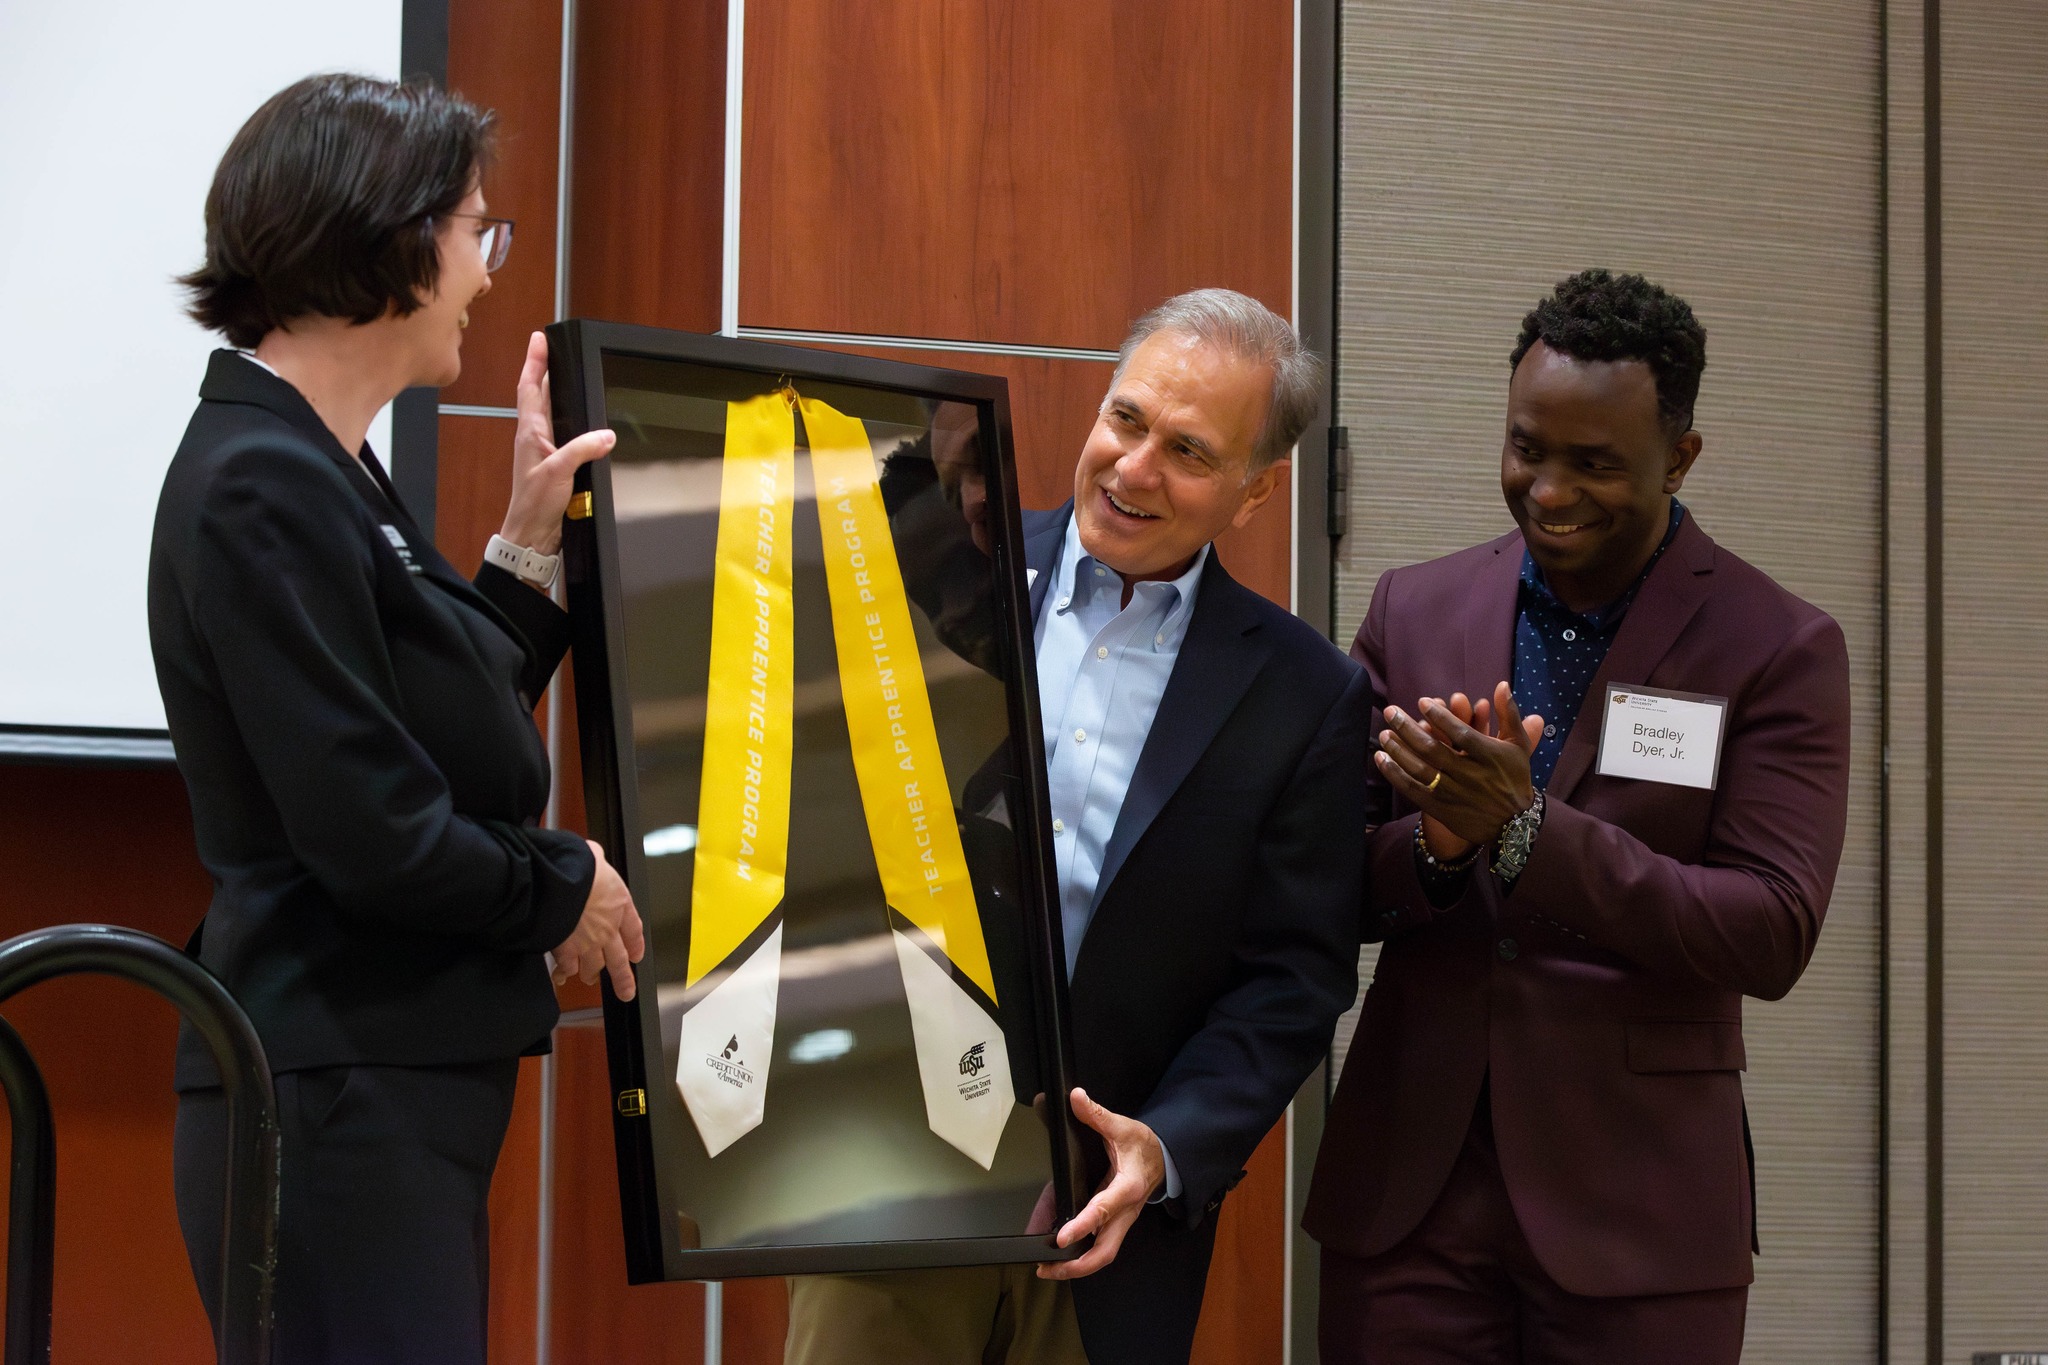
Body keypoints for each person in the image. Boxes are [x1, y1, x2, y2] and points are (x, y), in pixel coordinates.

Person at [149, 73, 643, 1363]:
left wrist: (528, 545)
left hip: (375, 1093)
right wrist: (564, 885)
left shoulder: (321, 464)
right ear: (389, 239)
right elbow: (373, 825)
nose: (486, 272)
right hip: (329, 1096)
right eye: (475, 231)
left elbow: (436, 732)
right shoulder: (262, 479)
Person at [784, 289, 1372, 1365]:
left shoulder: (1306, 696)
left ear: (1256, 491)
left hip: (1107, 1229)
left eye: (1188, 450)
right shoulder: (932, 584)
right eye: (1125, 419)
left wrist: (1168, 1147)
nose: (1133, 468)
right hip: (890, 1195)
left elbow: (1291, 981)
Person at [1305, 269, 1852, 1362]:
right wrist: (1440, 849)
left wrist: (1525, 833)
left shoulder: (1775, 645)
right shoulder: (1412, 609)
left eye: (1593, 464)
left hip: (1638, 1211)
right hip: (1411, 1196)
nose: (1547, 490)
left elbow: (1769, 927)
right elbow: (1327, 884)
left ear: (1680, 457)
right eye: (1525, 449)